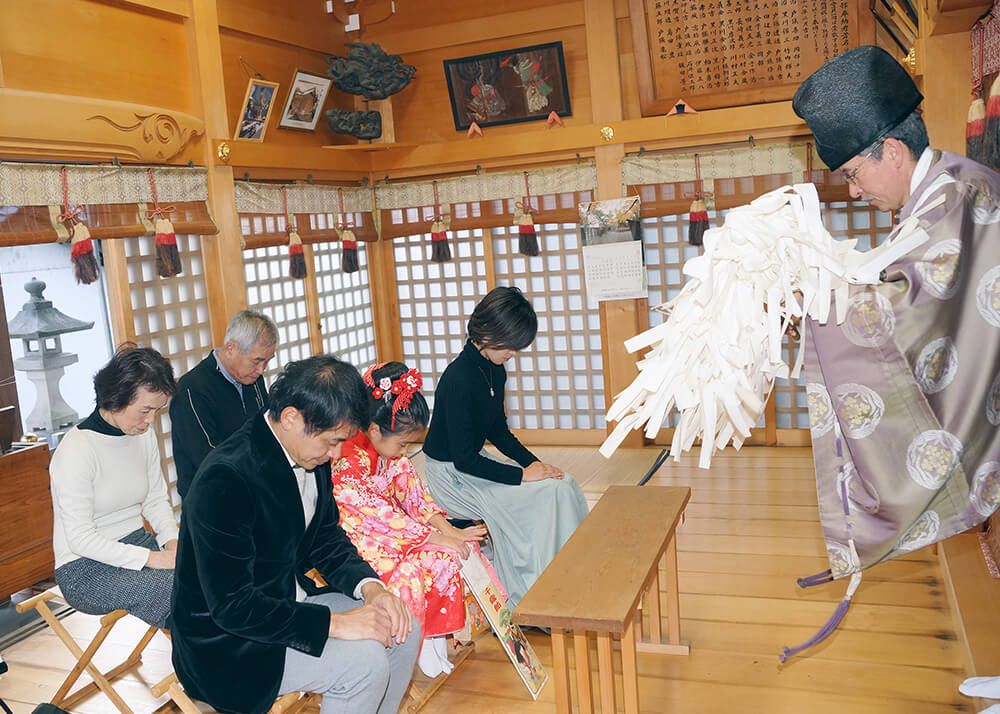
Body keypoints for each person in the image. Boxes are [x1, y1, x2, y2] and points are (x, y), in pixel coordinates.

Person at [782, 45, 1000, 658]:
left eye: (853, 173)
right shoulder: (939, 193)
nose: (853, 191)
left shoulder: (959, 198)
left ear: (894, 151)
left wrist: (817, 307)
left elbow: (909, 311)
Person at [170, 355, 419, 714]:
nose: (336, 454)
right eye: (333, 441)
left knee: (401, 630)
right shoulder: (225, 479)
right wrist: (337, 624)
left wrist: (372, 589)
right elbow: (233, 607)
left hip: (289, 603)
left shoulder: (308, 454)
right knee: (364, 664)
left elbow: (326, 540)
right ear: (290, 418)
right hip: (230, 644)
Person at [422, 286, 589, 606]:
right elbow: (464, 460)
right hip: (452, 476)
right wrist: (523, 476)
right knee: (542, 495)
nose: (513, 352)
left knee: (561, 485)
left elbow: (498, 432)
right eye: (510, 344)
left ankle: (573, 580)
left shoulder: (494, 369)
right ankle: (538, 597)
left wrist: (537, 466)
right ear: (487, 331)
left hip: (472, 464)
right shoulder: (458, 379)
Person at [332, 361, 487, 678]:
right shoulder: (347, 458)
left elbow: (412, 494)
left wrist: (450, 531)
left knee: (451, 556)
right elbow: (378, 518)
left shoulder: (388, 451)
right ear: (374, 430)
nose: (405, 450)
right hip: (358, 543)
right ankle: (409, 655)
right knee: (414, 574)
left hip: (397, 535)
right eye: (403, 443)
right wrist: (441, 539)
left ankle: (435, 646)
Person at [49, 345, 178, 628]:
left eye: (157, 411)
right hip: (84, 569)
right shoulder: (76, 451)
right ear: (116, 398)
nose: (151, 421)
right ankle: (210, 666)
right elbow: (80, 539)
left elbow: (156, 500)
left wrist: (173, 542)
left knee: (212, 570)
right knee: (176, 591)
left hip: (138, 545)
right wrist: (155, 559)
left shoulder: (141, 435)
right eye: (145, 410)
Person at [169, 309, 277, 498]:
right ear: (230, 348)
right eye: (257, 361)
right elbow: (207, 456)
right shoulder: (191, 389)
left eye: (267, 362)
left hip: (254, 487)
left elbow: (266, 428)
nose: (261, 370)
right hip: (211, 497)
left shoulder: (252, 378)